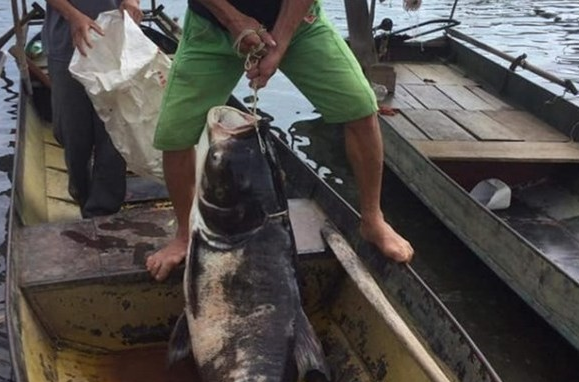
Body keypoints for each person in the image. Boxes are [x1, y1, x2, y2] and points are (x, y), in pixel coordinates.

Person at [146, 0, 414, 282]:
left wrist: (280, 42)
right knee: (175, 134)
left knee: (360, 107)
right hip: (212, 28)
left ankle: (372, 220)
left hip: (300, 25)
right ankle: (185, 236)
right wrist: (235, 22)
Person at [43, 0, 142, 218]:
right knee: (70, 131)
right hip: (66, 43)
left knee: (113, 130)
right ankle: (80, 190)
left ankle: (103, 208)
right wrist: (72, 15)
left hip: (115, 43)